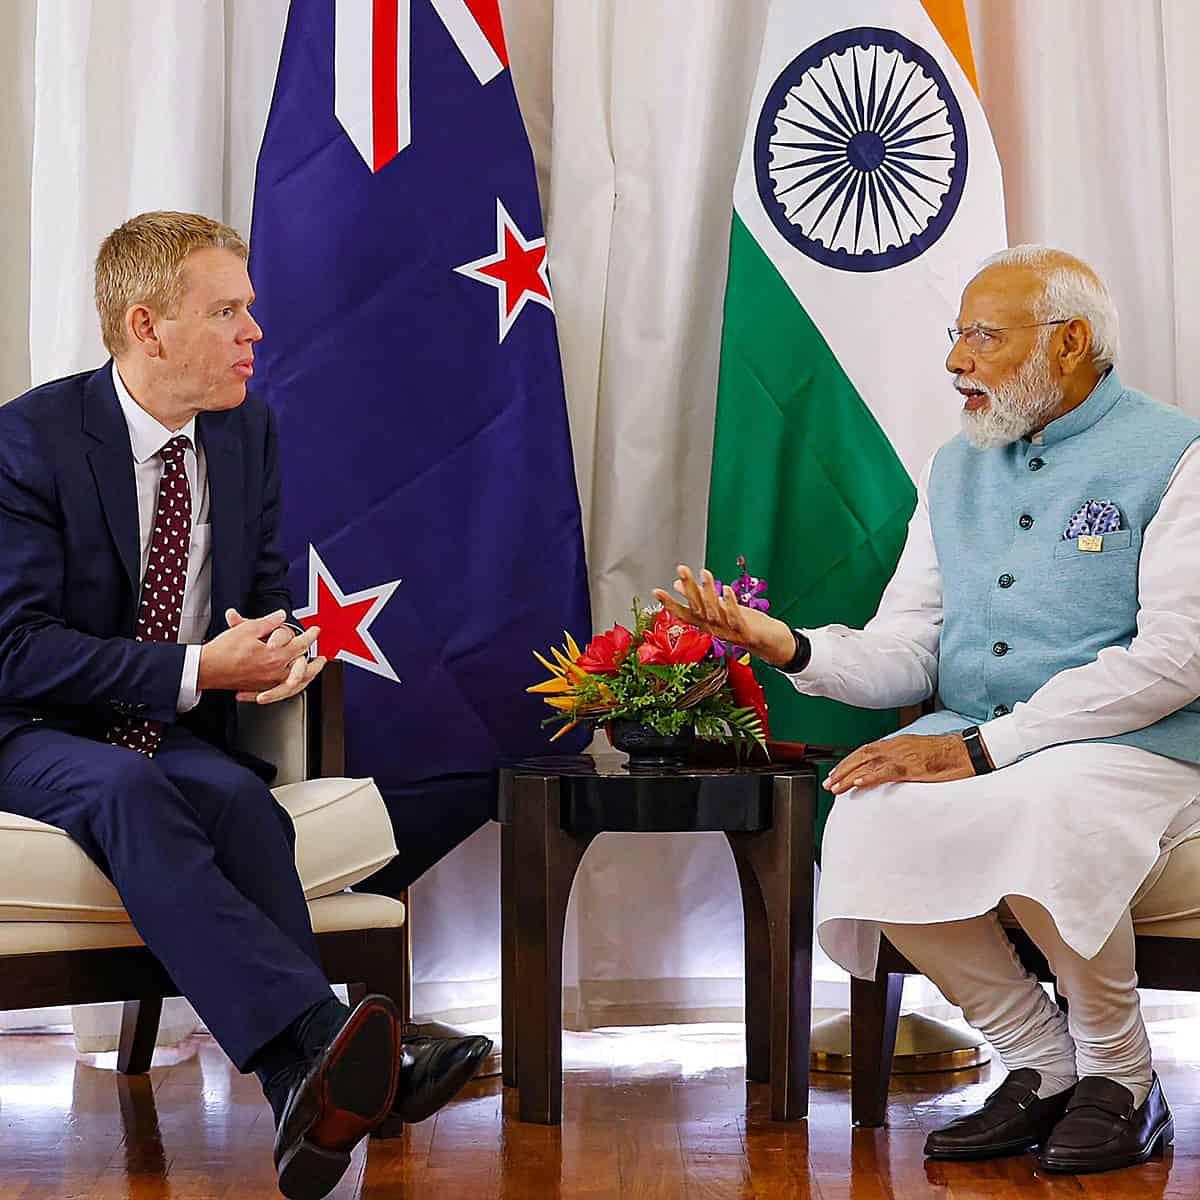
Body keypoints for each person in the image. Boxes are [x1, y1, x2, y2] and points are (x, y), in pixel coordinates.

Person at [654, 245, 1200, 1175]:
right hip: (987, 742)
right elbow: (909, 645)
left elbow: (1173, 658)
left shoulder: (1177, 454)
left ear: (1069, 344)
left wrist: (990, 748)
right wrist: (785, 643)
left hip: (1134, 747)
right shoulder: (956, 467)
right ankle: (1038, 1058)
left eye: (986, 337)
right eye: (959, 336)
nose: (957, 361)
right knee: (867, 812)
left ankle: (1123, 1075)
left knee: (1048, 802)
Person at [0, 211, 490, 1200]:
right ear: (148, 328)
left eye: (249, 310)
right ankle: (329, 1053)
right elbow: (18, 649)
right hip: (31, 727)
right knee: (130, 793)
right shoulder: (30, 441)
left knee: (240, 806)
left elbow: (253, 593)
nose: (253, 334)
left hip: (167, 727)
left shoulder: (244, 431)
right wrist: (196, 671)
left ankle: (301, 1099)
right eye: (226, 312)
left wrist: (277, 654)